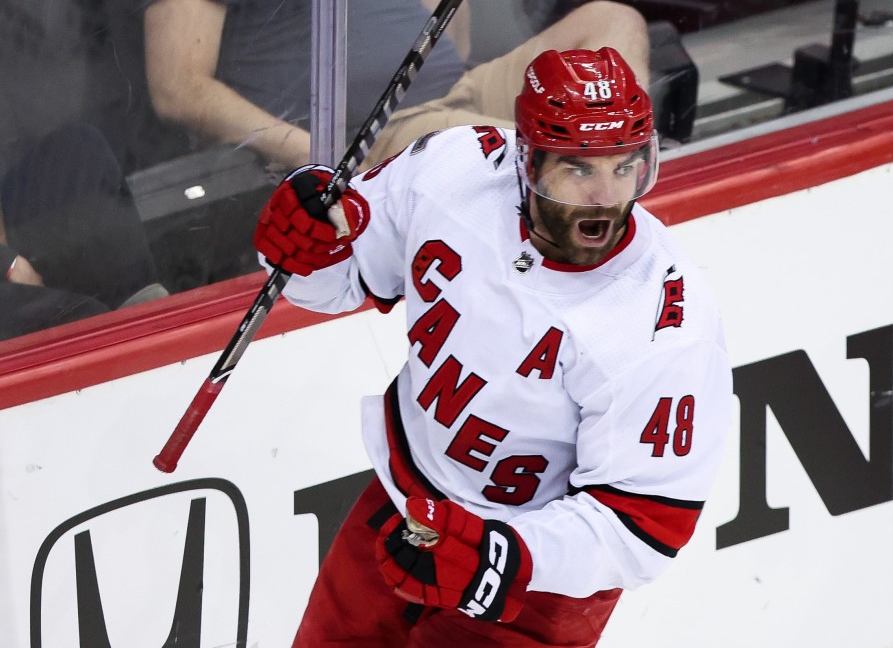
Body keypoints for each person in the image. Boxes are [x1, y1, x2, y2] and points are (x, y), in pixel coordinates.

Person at [254, 48, 732, 646]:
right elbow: (339, 277)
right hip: (407, 501)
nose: (606, 197)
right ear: (525, 162)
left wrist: (501, 556)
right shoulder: (453, 169)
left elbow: (641, 529)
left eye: (624, 165)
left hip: (534, 586)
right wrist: (304, 246)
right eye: (578, 169)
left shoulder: (663, 326)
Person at [135, 0, 650, 171]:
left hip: (456, 90)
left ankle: (604, 166)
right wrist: (320, 157)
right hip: (373, 136)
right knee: (520, 147)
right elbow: (178, 88)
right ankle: (598, 172)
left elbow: (454, 35)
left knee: (611, 23)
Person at [0, 122, 167, 352]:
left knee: (80, 149)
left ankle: (152, 322)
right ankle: (136, 354)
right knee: (85, 322)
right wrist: (1, 260)